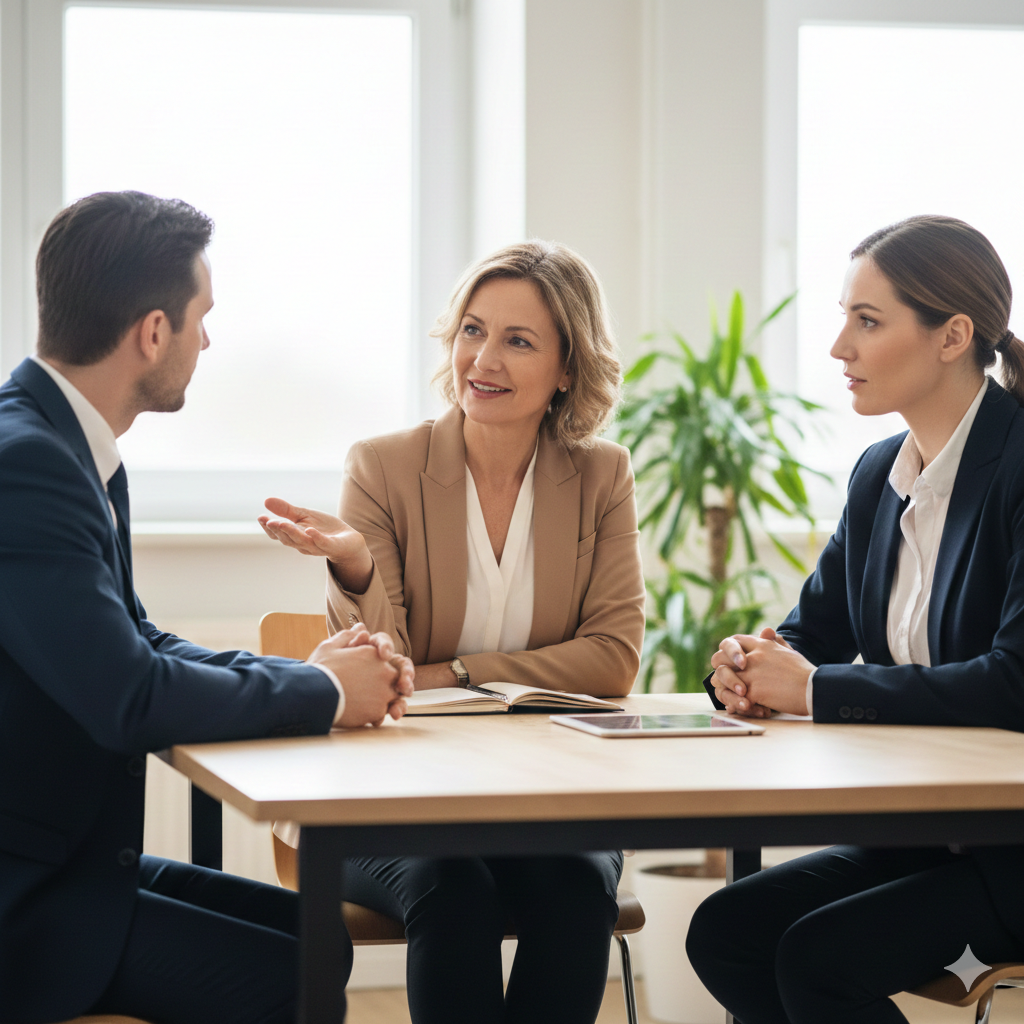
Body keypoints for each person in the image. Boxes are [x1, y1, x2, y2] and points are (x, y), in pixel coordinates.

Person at [0, 190, 414, 1024]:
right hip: (29, 905)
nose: (208, 341)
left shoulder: (66, 446)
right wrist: (326, 693)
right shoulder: (31, 465)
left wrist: (311, 675)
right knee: (293, 974)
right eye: (203, 318)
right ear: (154, 332)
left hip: (63, 868)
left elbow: (138, 640)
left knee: (320, 944)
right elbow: (129, 697)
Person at [258, 240, 646, 1024]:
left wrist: (459, 673)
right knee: (454, 889)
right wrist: (357, 564)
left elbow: (612, 658)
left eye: (518, 340)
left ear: (567, 369)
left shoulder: (601, 474)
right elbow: (386, 675)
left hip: (543, 795)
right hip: (387, 796)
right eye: (473, 330)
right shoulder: (383, 467)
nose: (483, 359)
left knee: (578, 891)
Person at [687, 215, 1024, 1023]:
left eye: (867, 322)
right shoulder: (880, 475)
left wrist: (814, 690)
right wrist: (746, 665)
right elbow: (811, 634)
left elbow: (1014, 682)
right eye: (845, 318)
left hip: (1011, 848)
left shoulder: (1018, 468)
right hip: (931, 831)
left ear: (953, 337)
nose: (840, 347)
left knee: (819, 960)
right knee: (728, 933)